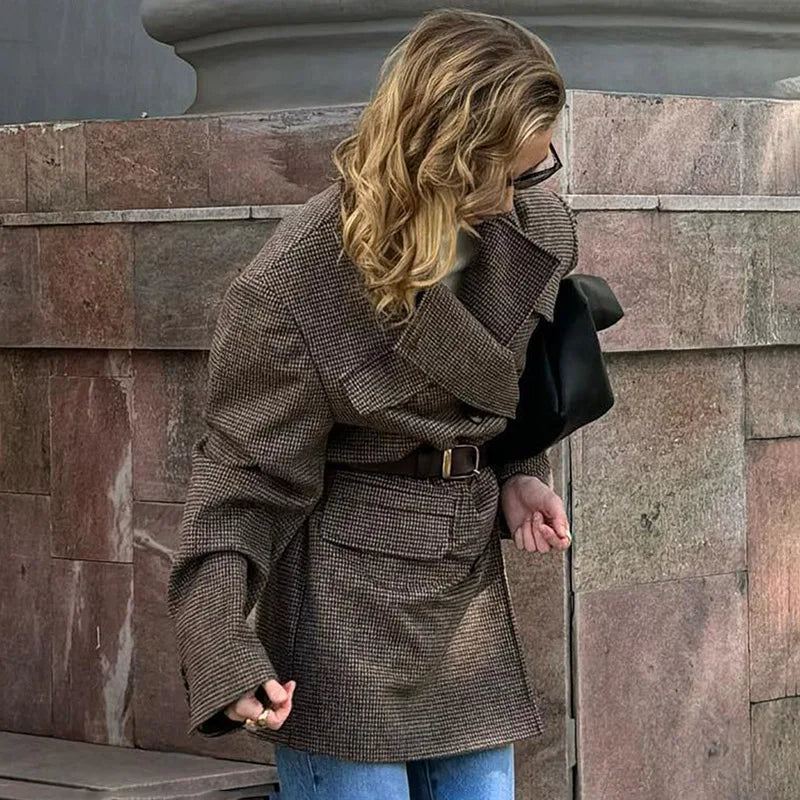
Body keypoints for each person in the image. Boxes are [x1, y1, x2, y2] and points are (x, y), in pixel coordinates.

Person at [166, 8, 575, 799]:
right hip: (340, 608)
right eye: (511, 172)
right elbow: (239, 487)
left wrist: (520, 471)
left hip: (464, 602)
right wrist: (223, 649)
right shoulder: (296, 285)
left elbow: (506, 384)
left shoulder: (538, 230)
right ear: (444, 159)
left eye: (537, 167)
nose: (528, 190)